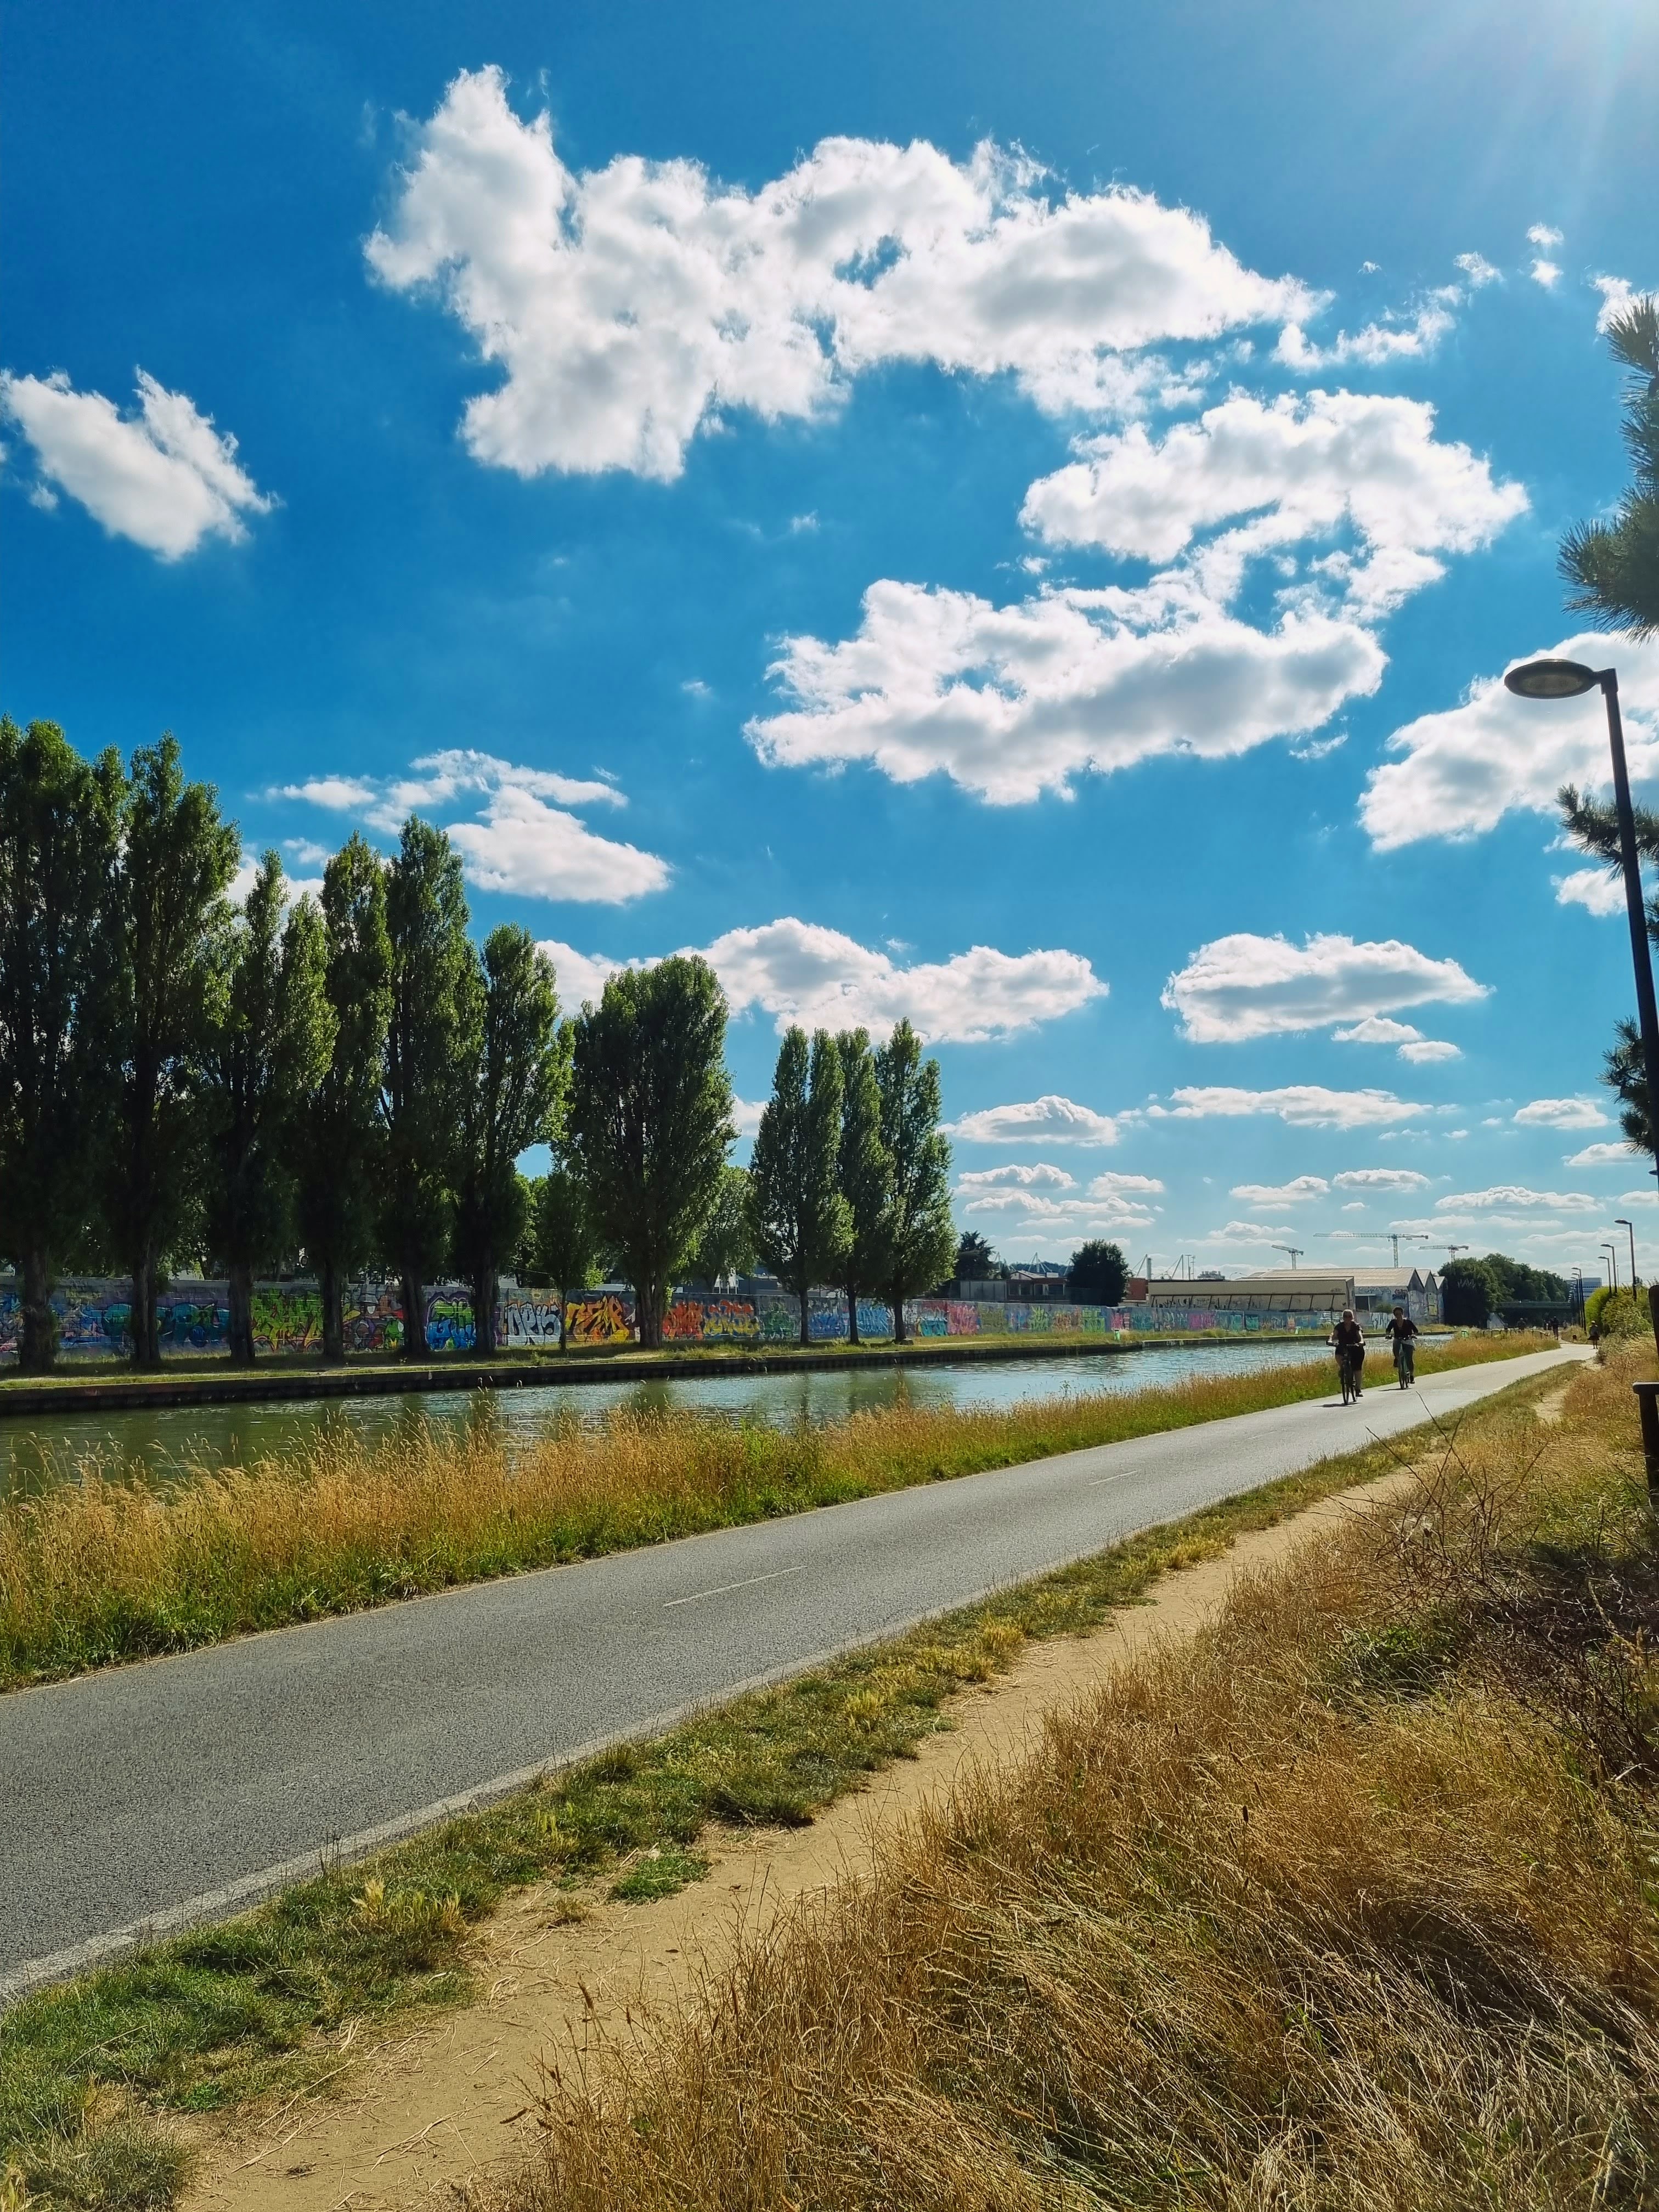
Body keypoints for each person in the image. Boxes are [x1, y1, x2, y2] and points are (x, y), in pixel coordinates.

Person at [1329, 1307, 1366, 1401]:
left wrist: (1361, 1342)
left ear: (1352, 1317)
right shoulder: (1339, 1326)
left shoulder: (1356, 1326)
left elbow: (1360, 1335)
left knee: (1357, 1368)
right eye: (1345, 1316)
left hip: (1355, 1346)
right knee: (1338, 1353)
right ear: (1343, 1317)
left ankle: (1358, 1388)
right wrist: (1330, 1340)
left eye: (1350, 1316)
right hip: (1343, 1346)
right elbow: (1334, 1334)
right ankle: (1342, 1369)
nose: (1347, 1318)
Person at [1385, 1302, 1418, 1389]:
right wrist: (1387, 1335)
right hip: (1398, 1339)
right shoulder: (1393, 1322)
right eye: (1396, 1314)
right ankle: (1397, 1359)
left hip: (1408, 1339)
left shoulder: (1408, 1322)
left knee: (1409, 1358)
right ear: (1395, 1315)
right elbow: (1388, 1330)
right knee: (1395, 1345)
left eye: (1400, 1314)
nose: (1398, 1316)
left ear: (1402, 1314)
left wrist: (1414, 1335)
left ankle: (1411, 1375)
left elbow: (1415, 1330)